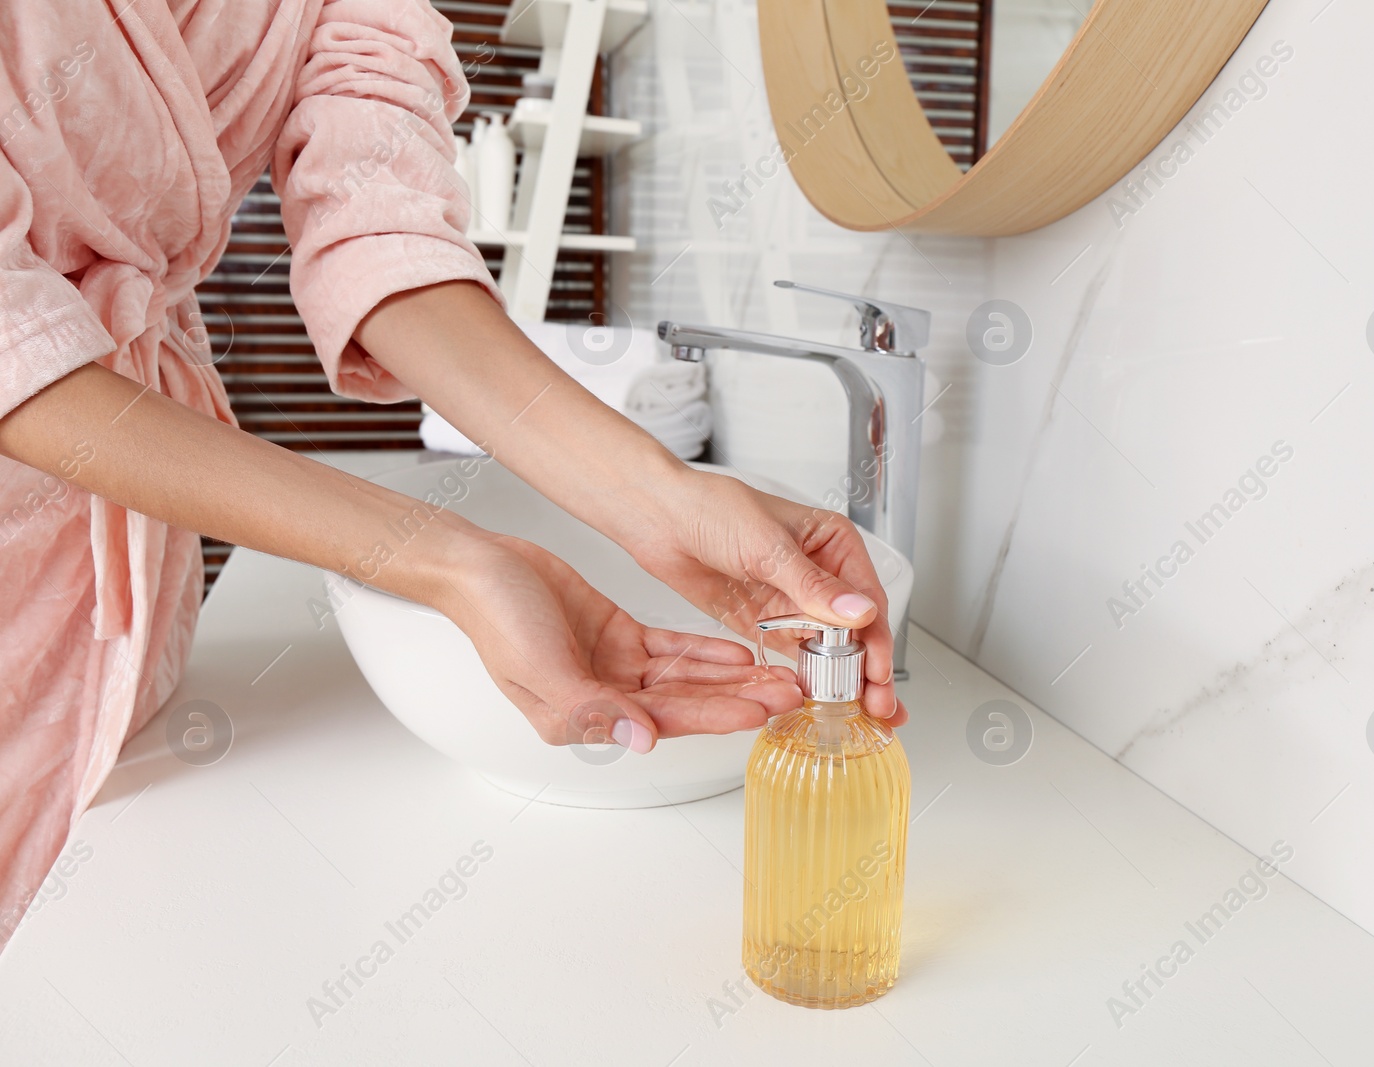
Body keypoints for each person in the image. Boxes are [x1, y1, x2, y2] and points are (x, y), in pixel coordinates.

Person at [0, 0, 903, 948]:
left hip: (119, 593)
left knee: (97, 936)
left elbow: (381, 234)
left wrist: (659, 498)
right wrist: (443, 559)